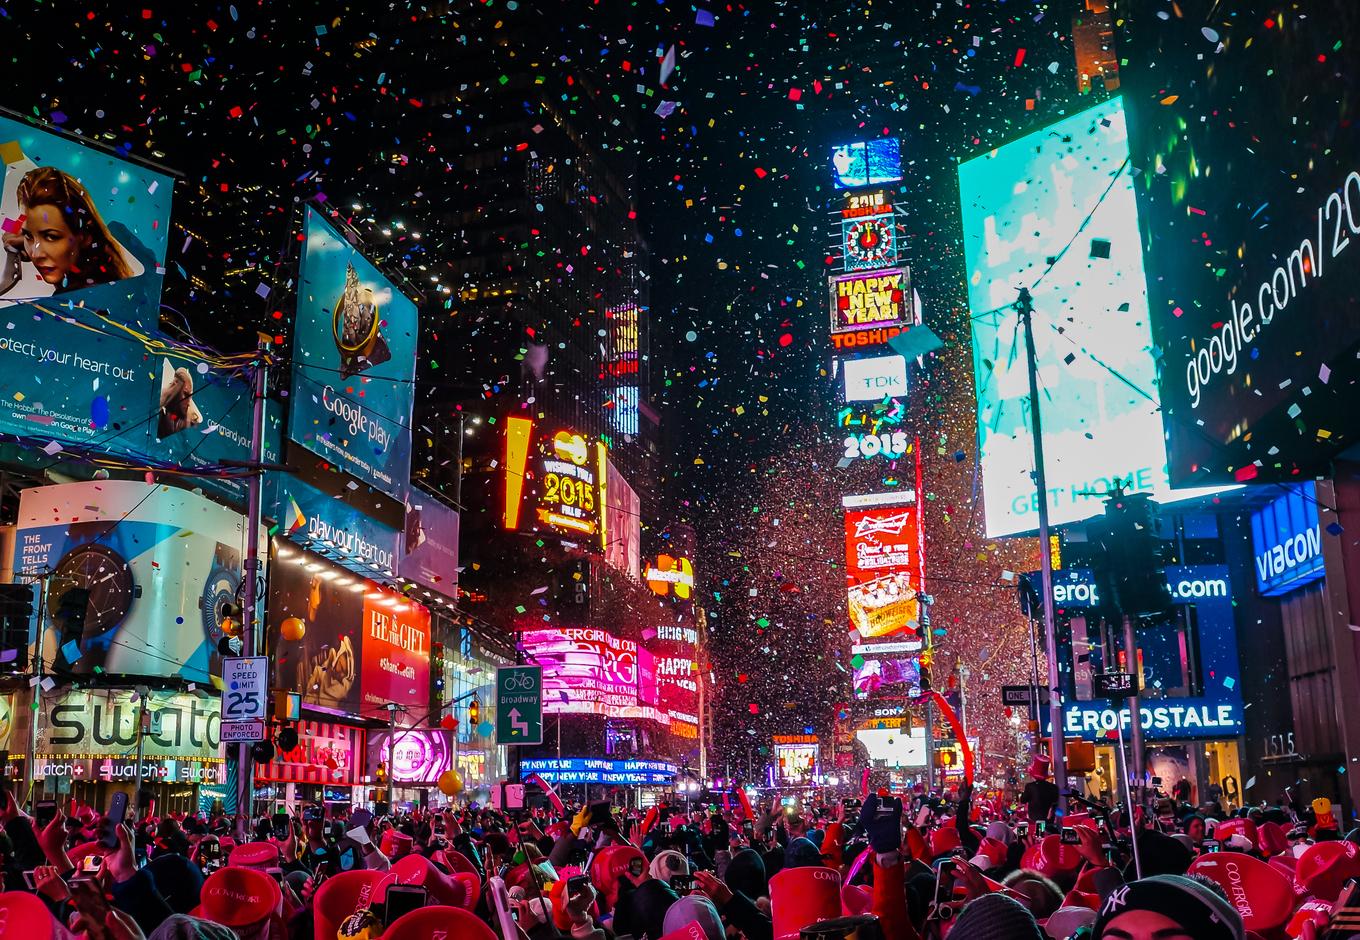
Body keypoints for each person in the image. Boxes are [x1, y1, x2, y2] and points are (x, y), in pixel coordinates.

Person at [1, 165, 138, 296]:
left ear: (85, 236)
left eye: (51, 237)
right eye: (28, 236)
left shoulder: (75, 301)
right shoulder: (107, 285)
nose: (36, 254)